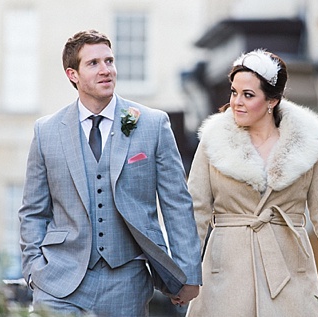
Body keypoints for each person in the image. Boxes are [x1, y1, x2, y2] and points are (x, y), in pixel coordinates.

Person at [19, 30, 202, 316]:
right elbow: (33, 212)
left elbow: (176, 203)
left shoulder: (152, 125)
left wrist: (188, 273)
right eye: (93, 63)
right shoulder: (47, 131)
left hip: (125, 283)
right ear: (73, 74)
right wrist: (34, 270)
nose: (106, 70)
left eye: (109, 61)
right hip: (58, 282)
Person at [185, 49, 318, 317]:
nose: (237, 102)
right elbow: (196, 212)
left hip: (290, 275)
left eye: (248, 95)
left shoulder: (308, 145)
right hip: (226, 276)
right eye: (234, 92)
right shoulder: (213, 142)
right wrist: (184, 273)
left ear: (272, 100)